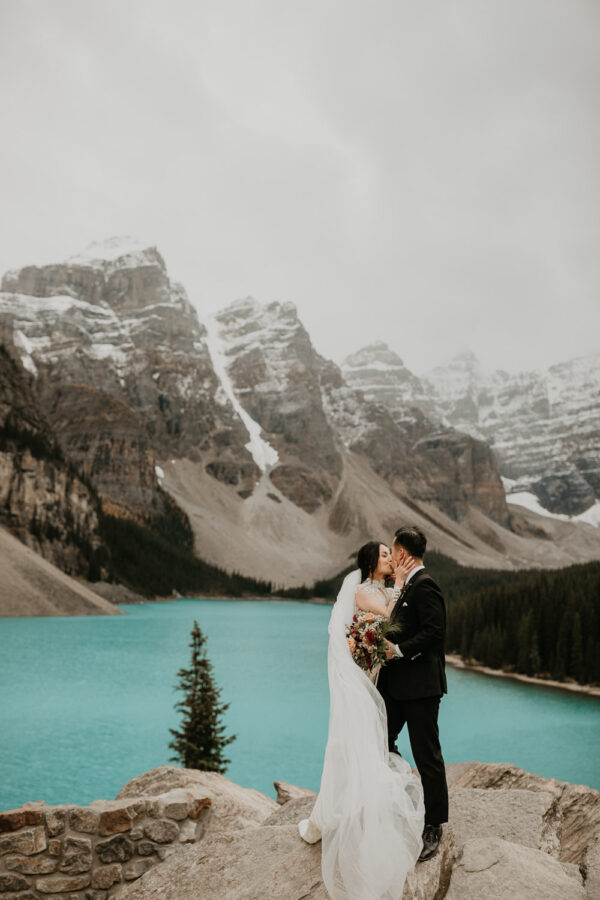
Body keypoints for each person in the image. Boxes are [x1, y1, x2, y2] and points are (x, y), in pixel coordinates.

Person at [298, 541, 425, 899]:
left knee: (367, 741)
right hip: (360, 683)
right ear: (372, 563)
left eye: (391, 554)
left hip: (374, 678)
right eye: (385, 555)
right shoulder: (363, 591)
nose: (391, 559)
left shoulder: (379, 587)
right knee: (353, 741)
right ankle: (347, 812)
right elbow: (390, 614)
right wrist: (400, 582)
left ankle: (357, 806)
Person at [378, 526, 449, 861]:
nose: (390, 558)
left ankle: (434, 825)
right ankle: (401, 796)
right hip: (397, 687)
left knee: (427, 755)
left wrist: (399, 651)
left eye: (392, 552)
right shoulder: (408, 586)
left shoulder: (426, 584)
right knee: (379, 740)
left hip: (420, 689)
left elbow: (435, 633)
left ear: (403, 553)